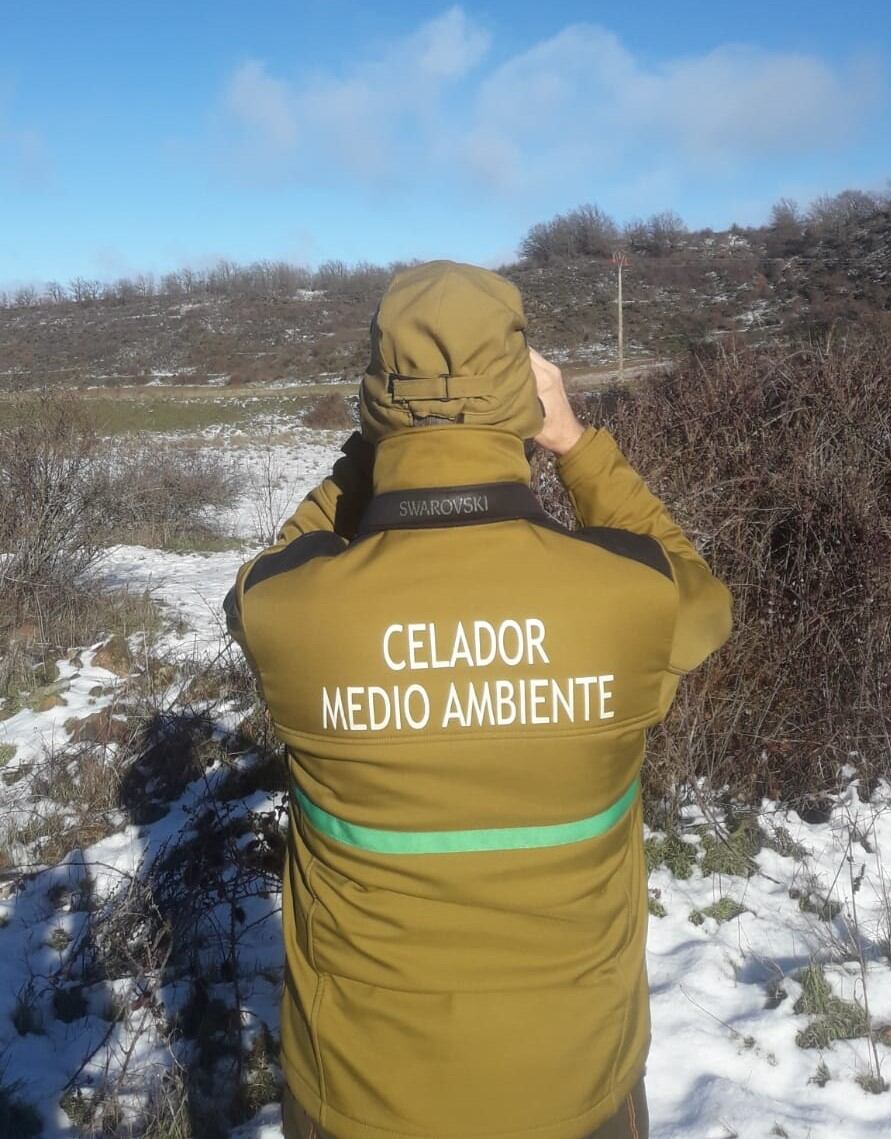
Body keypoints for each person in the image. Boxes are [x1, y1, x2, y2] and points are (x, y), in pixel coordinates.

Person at [224, 260, 733, 1139]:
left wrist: (372, 447)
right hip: (578, 1083)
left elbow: (264, 576)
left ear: (375, 401)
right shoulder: (629, 600)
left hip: (357, 1091)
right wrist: (576, 443)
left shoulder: (290, 614)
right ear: (525, 397)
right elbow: (701, 593)